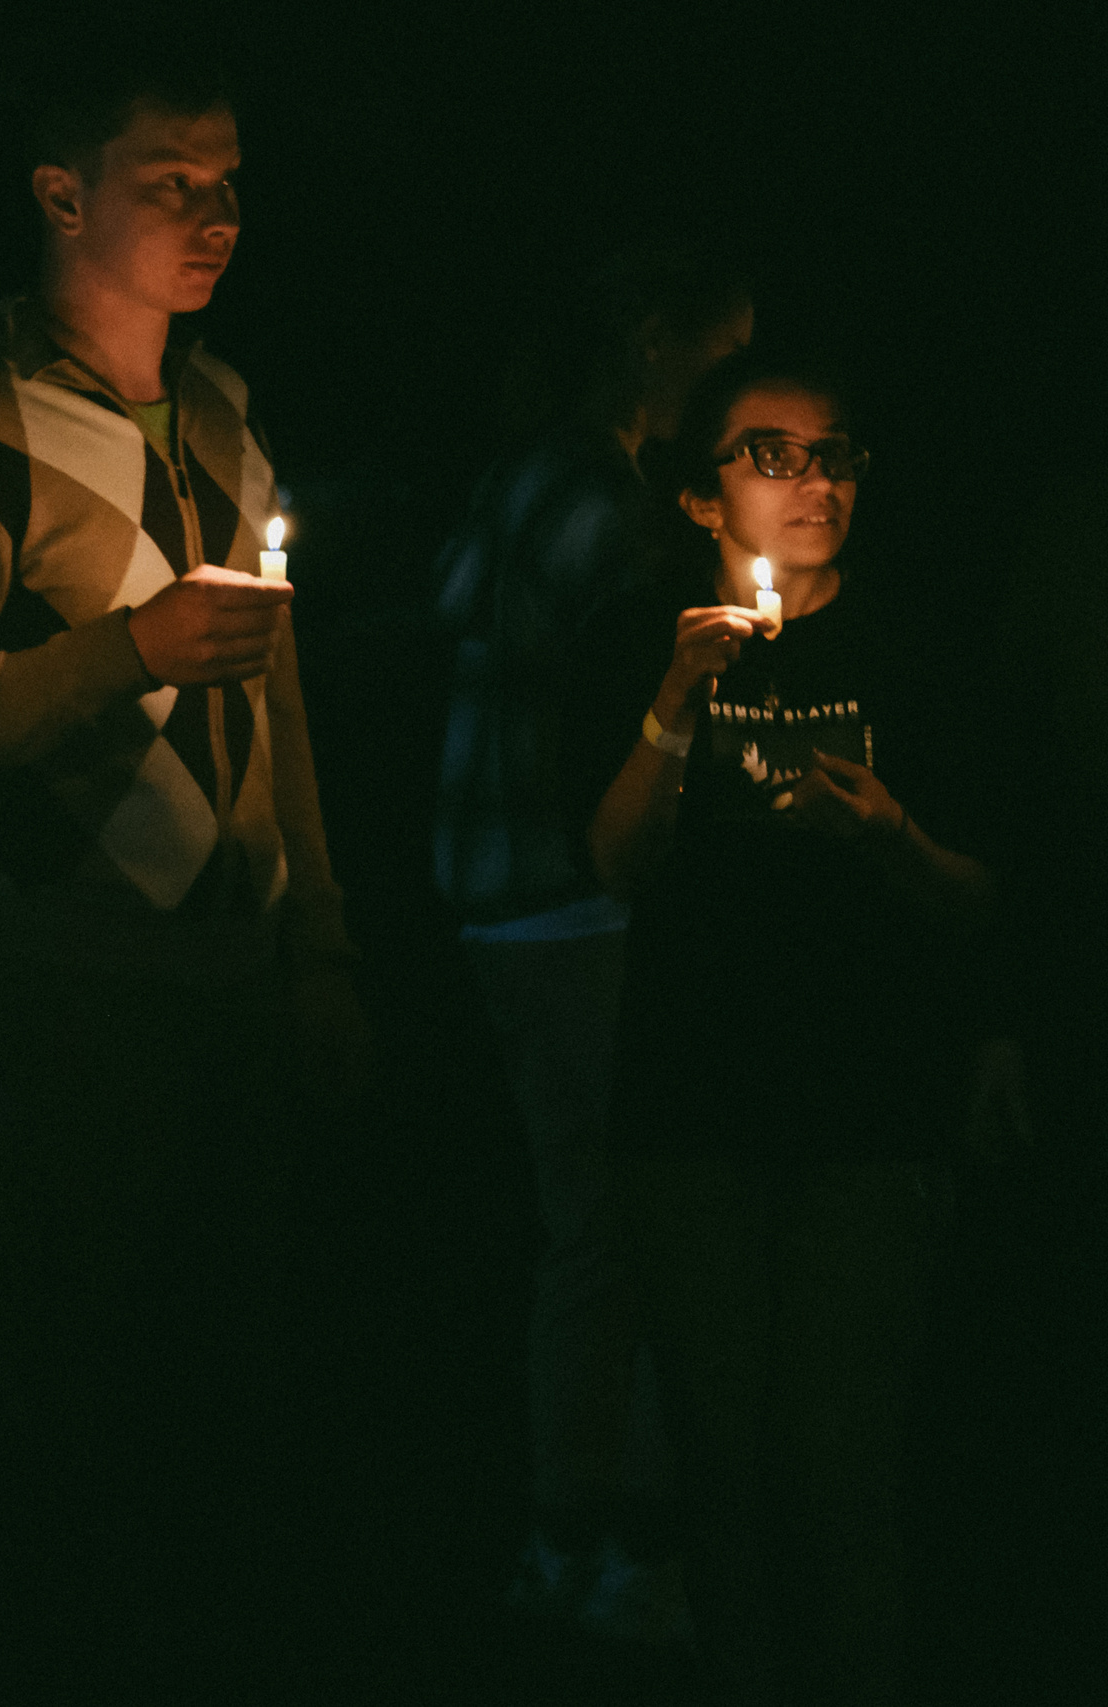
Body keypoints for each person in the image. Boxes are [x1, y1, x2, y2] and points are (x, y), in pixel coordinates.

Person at [0, 51, 364, 1686]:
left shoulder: (218, 414)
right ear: (63, 196)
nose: (218, 217)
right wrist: (124, 648)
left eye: (230, 182)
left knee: (227, 1393)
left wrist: (321, 942)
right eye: (172, 182)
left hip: (229, 989)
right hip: (51, 997)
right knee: (69, 1405)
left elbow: (274, 698)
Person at [570, 349, 990, 1705]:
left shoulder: (913, 645)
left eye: (835, 454)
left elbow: (987, 895)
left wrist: (894, 838)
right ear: (703, 501)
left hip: (868, 1105)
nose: (815, 480)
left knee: (844, 1456)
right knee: (723, 1459)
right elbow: (615, 862)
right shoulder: (643, 631)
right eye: (775, 454)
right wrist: (670, 706)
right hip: (693, 1106)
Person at [429, 240, 752, 1634]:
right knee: (604, 1222)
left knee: (592, 1214)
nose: (730, 385)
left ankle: (589, 1530)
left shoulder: (524, 473)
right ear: (652, 345)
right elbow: (601, 682)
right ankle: (594, 1535)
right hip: (561, 886)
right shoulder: (596, 498)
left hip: (497, 879)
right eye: (722, 353)